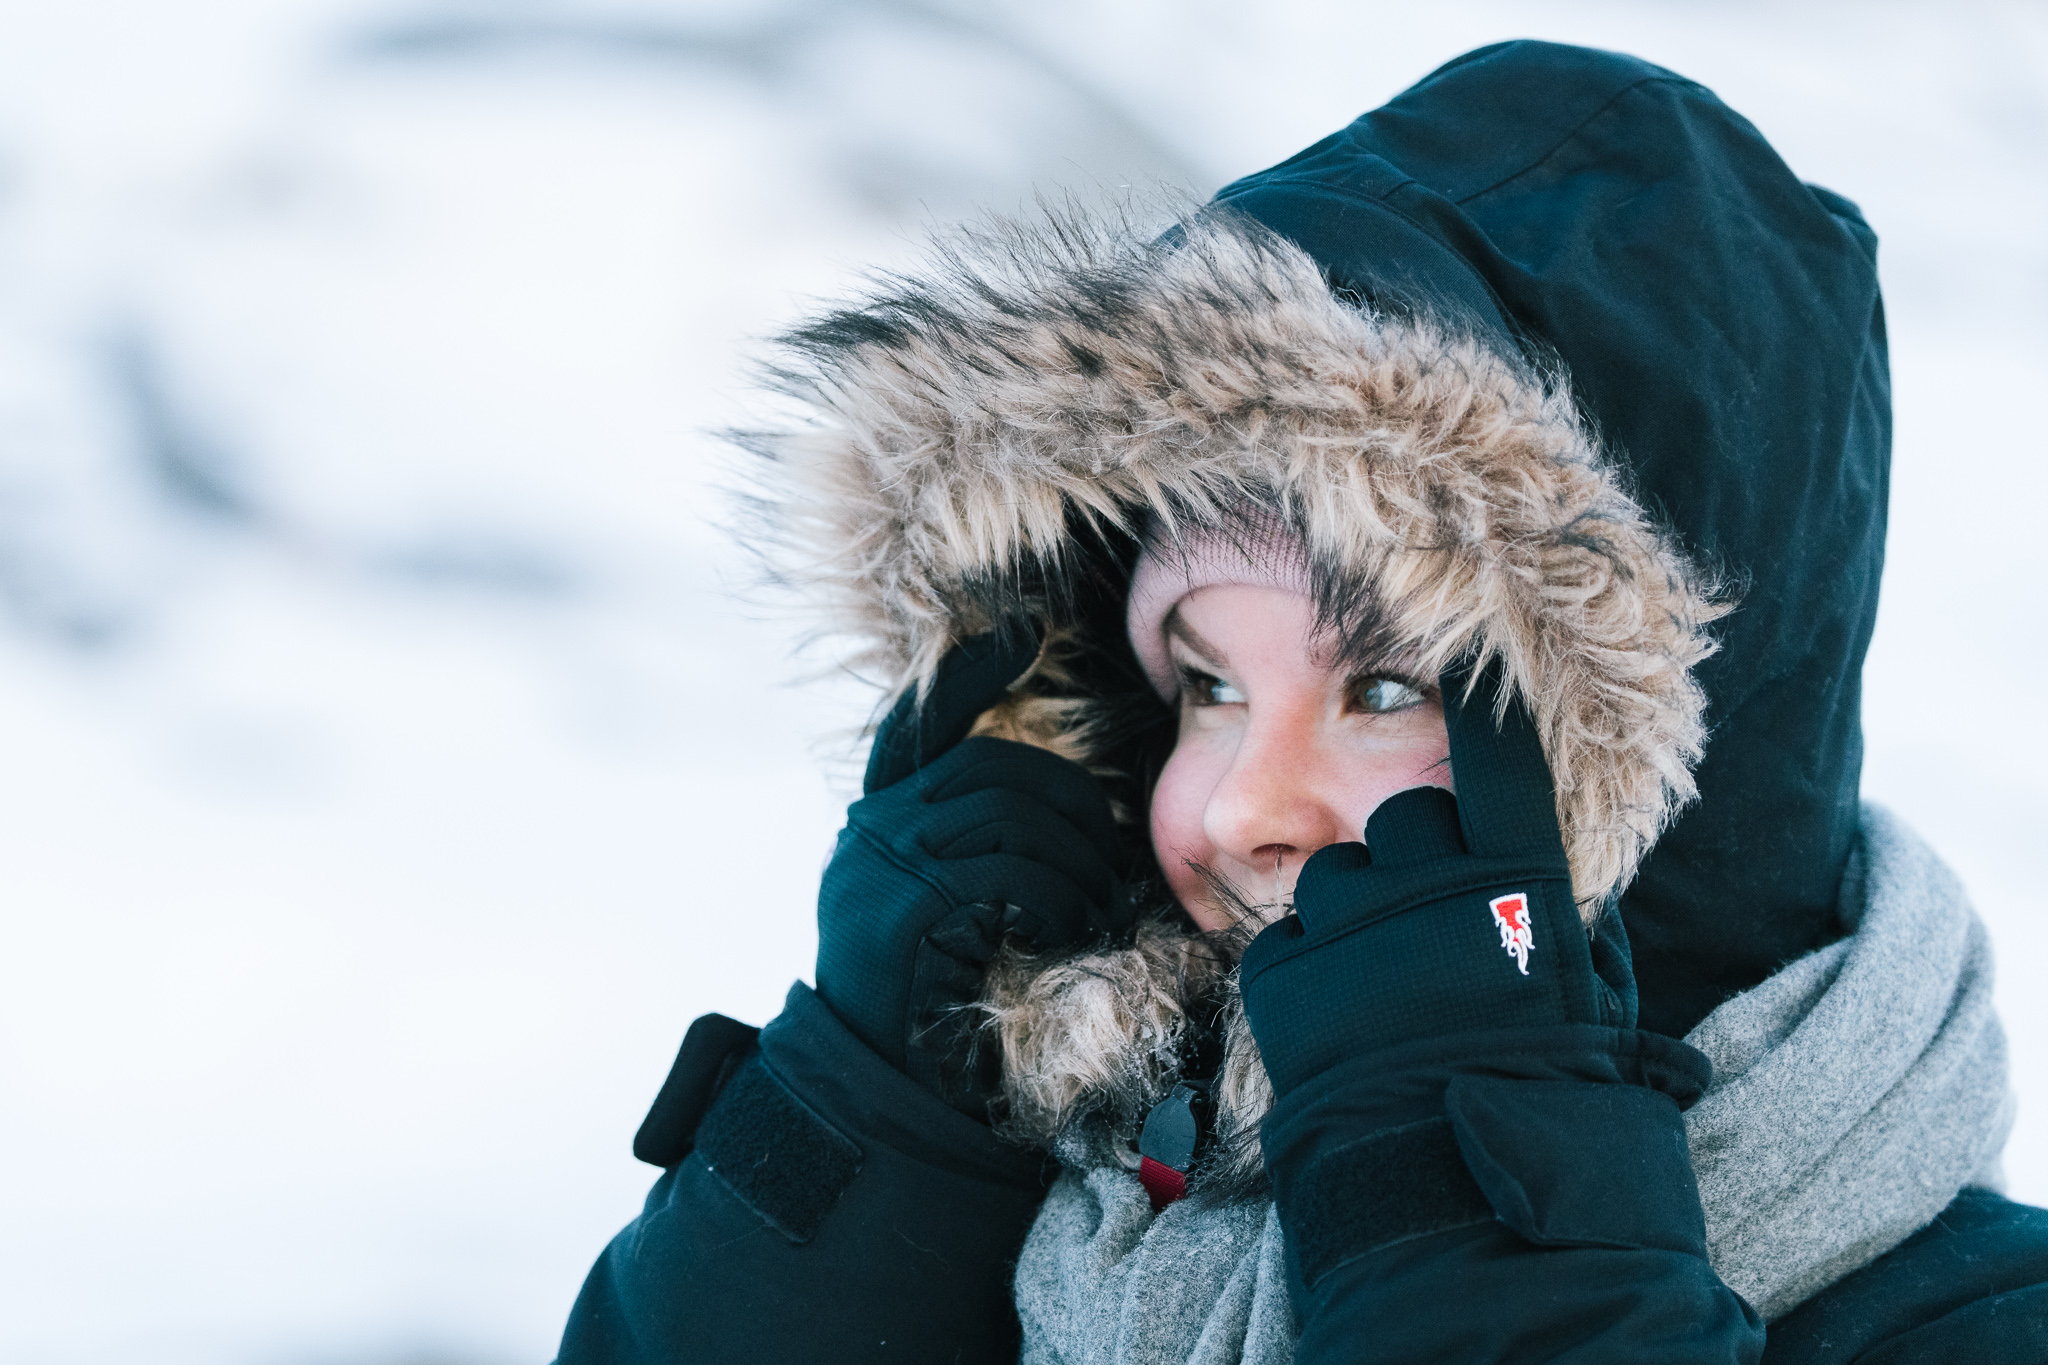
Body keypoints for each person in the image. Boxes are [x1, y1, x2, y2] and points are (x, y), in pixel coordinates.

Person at [554, 40, 2048, 1364]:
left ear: (1667, 766)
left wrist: (1479, 1235)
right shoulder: (1064, 1227)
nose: (1238, 807)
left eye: (1387, 684)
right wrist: (877, 1129)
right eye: (1202, 685)